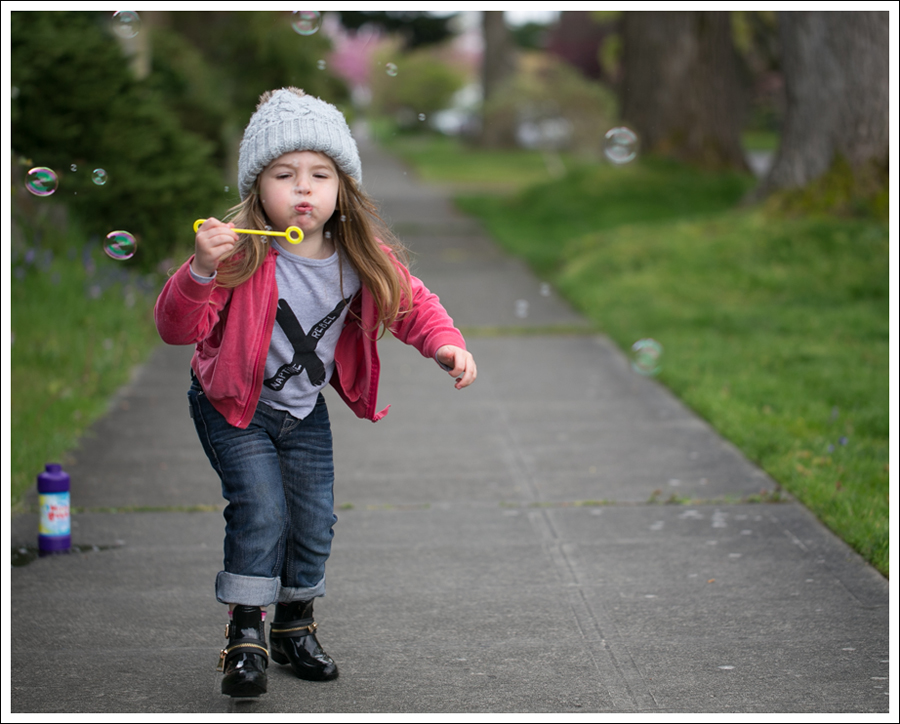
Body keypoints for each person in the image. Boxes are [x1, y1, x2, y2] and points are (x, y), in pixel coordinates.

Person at [154, 87, 476, 698]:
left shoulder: (358, 257)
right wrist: (197, 271)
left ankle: (293, 627)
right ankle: (245, 634)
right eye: (284, 174)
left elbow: (413, 306)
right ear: (257, 190)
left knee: (313, 520)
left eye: (320, 174)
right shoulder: (239, 256)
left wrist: (445, 343)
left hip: (303, 411)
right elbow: (176, 330)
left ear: (342, 188)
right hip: (232, 406)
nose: (304, 188)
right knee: (261, 511)